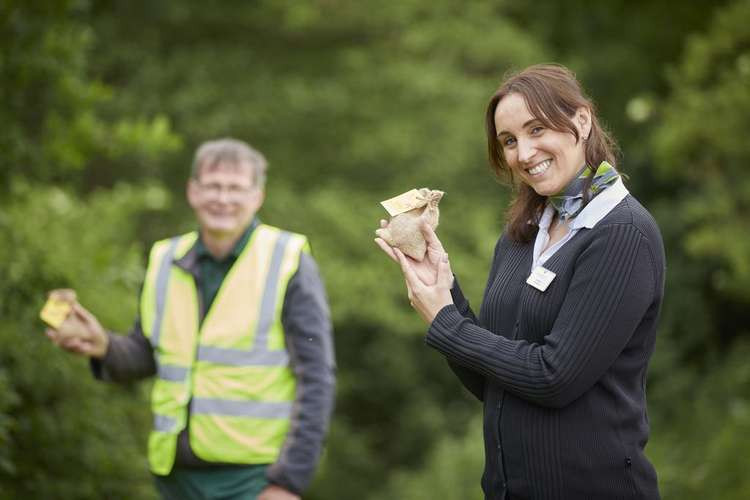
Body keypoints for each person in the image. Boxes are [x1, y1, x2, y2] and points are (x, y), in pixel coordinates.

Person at [376, 64, 664, 500]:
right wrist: (444, 290)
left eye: (536, 130)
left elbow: (553, 376)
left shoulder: (622, 234)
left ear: (582, 121)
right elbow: (493, 383)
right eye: (509, 141)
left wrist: (445, 322)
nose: (524, 153)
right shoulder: (521, 234)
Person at [46, 138, 336, 500]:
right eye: (213, 186)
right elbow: (150, 353)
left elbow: (317, 377)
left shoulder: (288, 259)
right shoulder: (165, 258)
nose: (223, 198)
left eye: (236, 188)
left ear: (257, 196)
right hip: (175, 477)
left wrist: (288, 482)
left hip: (255, 480)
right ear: (193, 191)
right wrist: (103, 345)